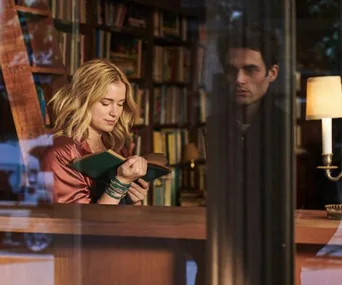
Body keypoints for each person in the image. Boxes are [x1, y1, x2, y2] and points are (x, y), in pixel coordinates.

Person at [41, 59, 149, 205]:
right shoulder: (61, 152)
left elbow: (128, 217)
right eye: (106, 103)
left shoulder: (116, 147)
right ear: (83, 100)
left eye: (120, 104)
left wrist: (134, 199)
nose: (115, 112)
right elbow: (81, 224)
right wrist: (120, 184)